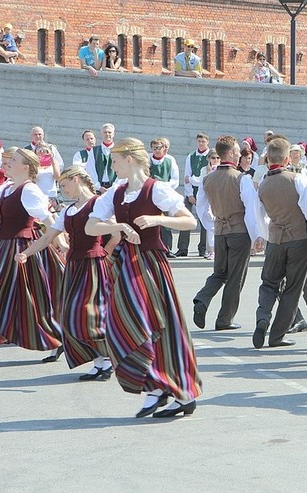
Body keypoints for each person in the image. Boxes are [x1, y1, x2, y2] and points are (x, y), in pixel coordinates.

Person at [86, 137, 201, 418]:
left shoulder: (157, 189)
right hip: (127, 264)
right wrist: (120, 225)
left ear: (129, 159)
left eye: (115, 160)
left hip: (151, 264)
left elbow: (189, 221)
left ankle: (178, 390)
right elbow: (91, 226)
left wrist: (158, 219)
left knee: (161, 324)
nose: (112, 165)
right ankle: (156, 386)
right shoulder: (116, 192)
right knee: (126, 323)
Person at [16, 166, 119, 380]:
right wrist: (26, 253)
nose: (62, 190)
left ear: (76, 179)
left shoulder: (98, 203)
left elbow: (116, 233)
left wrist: (104, 255)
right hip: (74, 266)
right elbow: (46, 238)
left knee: (89, 313)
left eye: (63, 185)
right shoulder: (68, 210)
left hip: (93, 265)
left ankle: (108, 358)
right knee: (71, 315)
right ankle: (101, 362)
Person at [0, 149, 66, 364]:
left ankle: (60, 338)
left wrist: (61, 242)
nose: (7, 164)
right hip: (5, 249)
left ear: (26, 167)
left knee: (35, 300)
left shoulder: (30, 190)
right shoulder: (7, 188)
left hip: (23, 249)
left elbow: (48, 218)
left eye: (13, 161)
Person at [252, 137, 307, 349]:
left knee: (269, 283)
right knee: (293, 288)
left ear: (268, 159)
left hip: (275, 239)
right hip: (297, 238)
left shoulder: (262, 185)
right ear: (288, 158)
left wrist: (264, 235)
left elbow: (258, 216)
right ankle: (277, 335)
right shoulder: (297, 180)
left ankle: (262, 317)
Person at [192, 135, 267, 331]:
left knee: (219, 272)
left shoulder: (207, 179)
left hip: (220, 230)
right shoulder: (242, 178)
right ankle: (225, 319)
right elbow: (251, 209)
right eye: (237, 152)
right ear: (232, 153)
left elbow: (201, 208)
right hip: (238, 231)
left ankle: (202, 298)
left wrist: (212, 225)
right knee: (235, 277)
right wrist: (256, 235)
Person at [178, 133, 210, 257]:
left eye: (203, 141)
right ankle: (182, 248)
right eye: (199, 141)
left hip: (205, 192)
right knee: (185, 218)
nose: (201, 143)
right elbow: (187, 176)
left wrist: (192, 179)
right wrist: (190, 194)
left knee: (204, 221)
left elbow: (205, 178)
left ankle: (203, 248)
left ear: (207, 142)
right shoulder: (191, 156)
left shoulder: (210, 156)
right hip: (192, 191)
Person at [149, 137, 180, 258]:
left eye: (159, 148)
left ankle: (166, 249)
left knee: (166, 224)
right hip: (150, 194)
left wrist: (162, 185)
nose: (156, 150)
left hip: (165, 195)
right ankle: (153, 248)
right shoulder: (148, 159)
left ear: (164, 148)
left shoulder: (170, 160)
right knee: (152, 222)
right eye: (154, 148)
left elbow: (175, 180)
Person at [85, 123, 116, 192]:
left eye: (109, 132)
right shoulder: (94, 151)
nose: (107, 134)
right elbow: (90, 169)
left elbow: (123, 169)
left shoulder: (119, 150)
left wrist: (115, 186)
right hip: (98, 188)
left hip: (115, 189)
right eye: (105, 132)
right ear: (101, 134)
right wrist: (98, 187)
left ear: (113, 134)